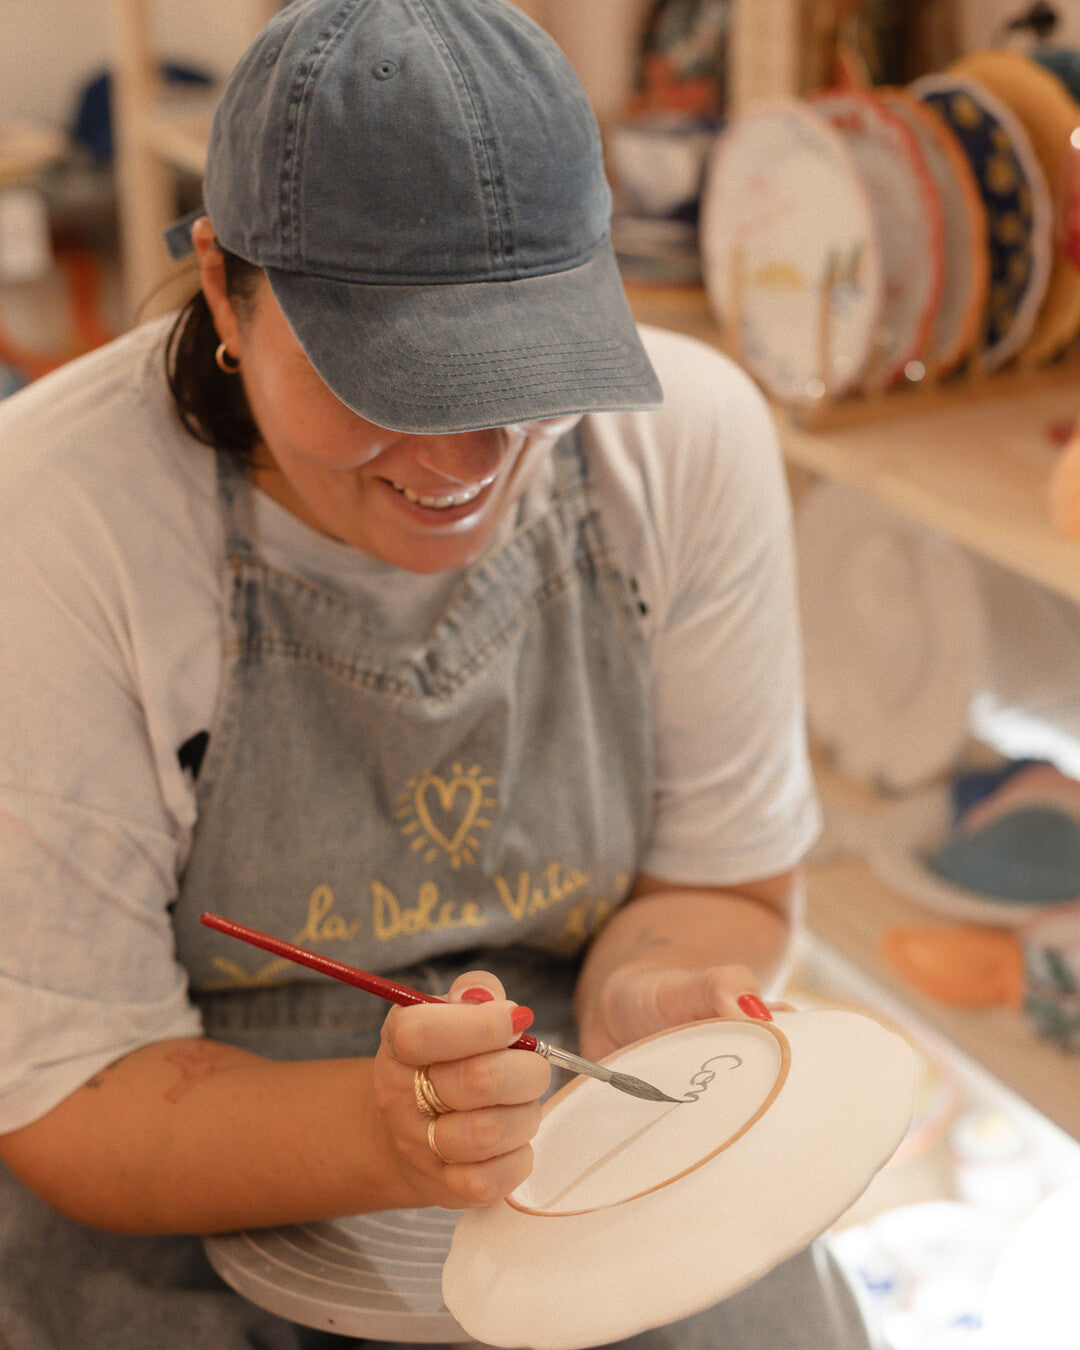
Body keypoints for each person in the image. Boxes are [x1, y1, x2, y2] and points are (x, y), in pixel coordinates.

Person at [0, 1, 871, 1346]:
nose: (461, 463)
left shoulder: (686, 442)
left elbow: (723, 878)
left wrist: (654, 989)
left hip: (579, 1140)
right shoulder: (58, 521)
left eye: (520, 373)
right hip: (181, 1169)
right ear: (229, 288)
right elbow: (73, 1095)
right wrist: (384, 1129)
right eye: (385, 383)